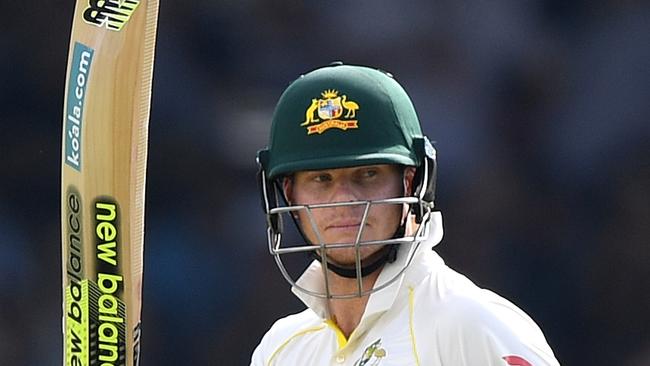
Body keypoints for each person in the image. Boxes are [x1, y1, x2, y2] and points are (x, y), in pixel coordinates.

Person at [252, 62, 560, 366]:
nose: (344, 199)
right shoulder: (281, 351)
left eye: (368, 174)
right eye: (321, 179)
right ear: (289, 194)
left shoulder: (471, 325)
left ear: (410, 182)